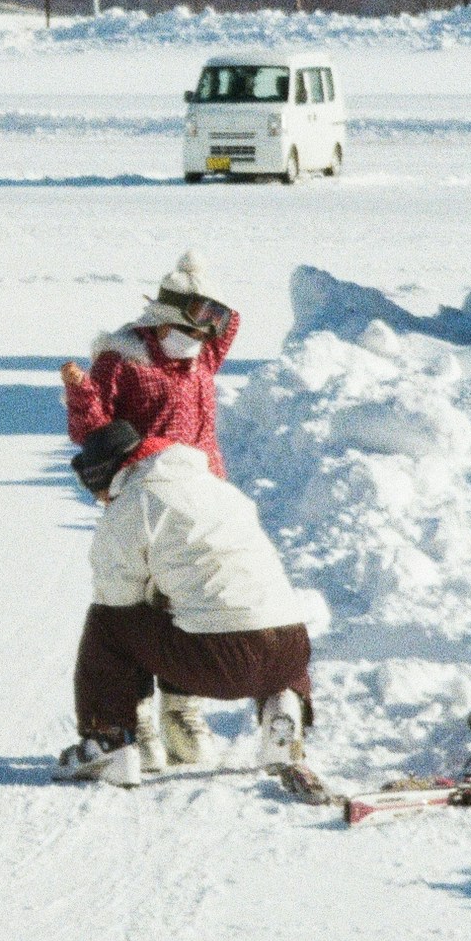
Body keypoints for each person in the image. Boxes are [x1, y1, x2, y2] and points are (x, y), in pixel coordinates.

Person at [54, 419, 312, 785]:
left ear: (106, 475)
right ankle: (282, 710)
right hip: (291, 653)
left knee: (108, 623)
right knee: (253, 604)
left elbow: (118, 601)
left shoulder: (133, 504)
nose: (100, 501)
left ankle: (107, 742)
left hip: (220, 661)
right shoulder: (220, 490)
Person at [61, 249, 239, 479]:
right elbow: (91, 434)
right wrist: (80, 394)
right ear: (162, 324)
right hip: (149, 487)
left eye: (204, 335)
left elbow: (231, 322)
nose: (198, 340)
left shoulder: (200, 361)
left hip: (204, 487)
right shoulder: (121, 362)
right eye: (191, 333)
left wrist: (197, 281)